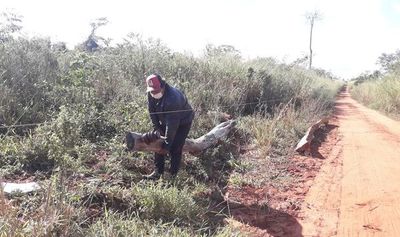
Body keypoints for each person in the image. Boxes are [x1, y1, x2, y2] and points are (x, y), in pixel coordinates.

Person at [143, 74, 194, 180]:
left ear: (163, 86)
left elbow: (172, 126)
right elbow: (152, 112)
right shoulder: (151, 93)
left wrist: (166, 147)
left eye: (156, 91)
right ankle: (158, 173)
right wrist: (157, 128)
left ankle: (173, 176)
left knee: (175, 147)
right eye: (152, 91)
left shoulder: (173, 98)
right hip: (166, 119)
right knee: (158, 142)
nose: (154, 93)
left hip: (182, 122)